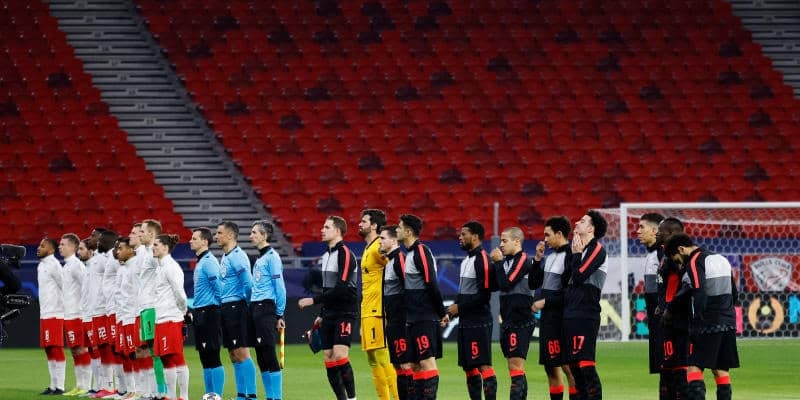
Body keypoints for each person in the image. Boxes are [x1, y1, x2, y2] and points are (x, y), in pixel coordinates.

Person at [664, 234, 739, 400]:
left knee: (693, 367)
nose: (679, 264)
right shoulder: (721, 259)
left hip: (708, 323)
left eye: (677, 259)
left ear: (681, 249)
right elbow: (735, 294)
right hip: (728, 322)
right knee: (721, 370)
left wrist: (697, 321)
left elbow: (699, 290)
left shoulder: (694, 261)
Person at [298, 216, 359, 400]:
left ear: (338, 231)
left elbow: (341, 287)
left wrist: (313, 300)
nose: (322, 230)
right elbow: (328, 289)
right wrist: (322, 313)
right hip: (329, 313)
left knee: (340, 356)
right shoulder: (326, 256)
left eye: (326, 227)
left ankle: (352, 398)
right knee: (329, 358)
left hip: (345, 311)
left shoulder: (345, 254)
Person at [396, 214, 448, 400]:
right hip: (412, 318)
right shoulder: (410, 254)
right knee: (415, 365)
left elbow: (431, 283)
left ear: (408, 232)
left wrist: (441, 312)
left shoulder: (421, 252)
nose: (396, 230)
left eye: (399, 227)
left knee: (427, 363)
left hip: (424, 317)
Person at [490, 227, 540, 400]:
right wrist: (495, 264)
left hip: (520, 321)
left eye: (505, 241)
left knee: (515, 367)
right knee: (516, 368)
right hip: (509, 320)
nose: (501, 245)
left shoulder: (523, 259)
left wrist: (497, 263)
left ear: (517, 241)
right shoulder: (506, 262)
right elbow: (495, 285)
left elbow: (506, 285)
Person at [563, 211, 609, 400]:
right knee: (574, 367)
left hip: (585, 314)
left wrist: (576, 255)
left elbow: (579, 276)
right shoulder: (576, 249)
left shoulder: (597, 249)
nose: (576, 222)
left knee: (585, 365)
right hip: (571, 313)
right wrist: (572, 253)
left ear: (591, 229)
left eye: (582, 221)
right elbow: (566, 279)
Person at [449, 221, 497, 400]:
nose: (460, 237)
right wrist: (450, 312)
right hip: (465, 321)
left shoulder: (482, 259)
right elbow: (463, 294)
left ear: (475, 237)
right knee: (469, 367)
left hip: (479, 322)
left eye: (464, 234)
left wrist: (459, 308)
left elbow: (484, 296)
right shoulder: (466, 260)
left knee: (483, 365)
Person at [531, 216, 576, 400]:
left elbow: (569, 293)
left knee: (568, 368)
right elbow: (533, 283)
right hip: (548, 320)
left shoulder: (571, 256)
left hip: (562, 319)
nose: (545, 239)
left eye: (547, 235)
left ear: (559, 234)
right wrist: (537, 259)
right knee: (550, 367)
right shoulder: (549, 257)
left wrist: (545, 302)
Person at [357, 209, 399, 400]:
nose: (360, 224)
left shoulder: (377, 249)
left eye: (364, 221)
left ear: (374, 225)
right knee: (372, 359)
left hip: (378, 309)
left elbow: (395, 266)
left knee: (382, 356)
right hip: (367, 309)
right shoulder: (369, 248)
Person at [216, 221, 256, 400]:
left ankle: (251, 396)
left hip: (237, 307)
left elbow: (248, 284)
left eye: (219, 233)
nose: (216, 236)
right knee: (233, 354)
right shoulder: (226, 256)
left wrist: (248, 306)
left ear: (230, 235)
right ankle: (241, 395)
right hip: (226, 308)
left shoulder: (238, 257)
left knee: (242, 352)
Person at [249, 220, 287, 400]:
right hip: (256, 308)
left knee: (269, 353)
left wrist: (280, 314)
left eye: (254, 232)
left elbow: (280, 287)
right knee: (261, 355)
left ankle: (277, 397)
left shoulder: (272, 257)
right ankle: (270, 396)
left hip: (266, 308)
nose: (251, 236)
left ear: (264, 236)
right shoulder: (260, 258)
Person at [151, 234, 189, 400]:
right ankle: (171, 396)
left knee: (176, 356)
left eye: (156, 245)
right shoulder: (160, 267)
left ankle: (184, 396)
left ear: (165, 247)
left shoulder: (171, 267)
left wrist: (183, 312)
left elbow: (179, 293)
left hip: (171, 317)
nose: (153, 248)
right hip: (160, 318)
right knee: (165, 358)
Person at [188, 227, 225, 395]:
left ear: (204, 241)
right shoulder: (202, 261)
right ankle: (210, 394)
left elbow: (219, 289)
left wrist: (215, 310)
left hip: (210, 312)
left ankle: (216, 395)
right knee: (205, 356)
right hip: (201, 312)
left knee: (212, 355)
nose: (191, 241)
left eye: (194, 238)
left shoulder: (209, 261)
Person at [656, 218, 689, 399]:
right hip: (667, 316)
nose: (657, 233)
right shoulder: (664, 254)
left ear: (670, 234)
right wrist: (661, 305)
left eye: (660, 230)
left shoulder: (678, 257)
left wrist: (670, 306)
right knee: (667, 365)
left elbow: (685, 285)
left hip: (677, 319)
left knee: (679, 365)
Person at [378, 225, 413, 400]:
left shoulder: (400, 260)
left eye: (382, 238)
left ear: (393, 240)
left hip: (402, 322)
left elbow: (410, 289)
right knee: (398, 366)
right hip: (393, 322)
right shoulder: (390, 262)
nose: (379, 241)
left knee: (405, 365)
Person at [636, 213, 665, 394]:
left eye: (642, 227)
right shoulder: (652, 254)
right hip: (656, 321)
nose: (637, 231)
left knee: (671, 369)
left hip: (665, 321)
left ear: (654, 231)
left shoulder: (663, 253)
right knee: (664, 369)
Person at [60, 233, 92, 396]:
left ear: (72, 247)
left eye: (63, 244)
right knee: (74, 350)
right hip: (68, 314)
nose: (60, 247)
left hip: (77, 314)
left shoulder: (76, 266)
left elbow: (86, 287)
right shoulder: (66, 266)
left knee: (81, 349)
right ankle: (79, 385)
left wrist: (83, 309)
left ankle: (86, 385)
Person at [91, 229, 119, 398]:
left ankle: (113, 387)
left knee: (111, 348)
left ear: (107, 241)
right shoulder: (99, 258)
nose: (96, 241)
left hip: (106, 309)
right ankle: (107, 386)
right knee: (102, 347)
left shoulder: (111, 259)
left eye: (99, 238)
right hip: (99, 309)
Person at [113, 236, 140, 399]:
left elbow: (136, 294)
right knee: (124, 353)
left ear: (130, 250)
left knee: (133, 354)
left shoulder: (135, 267)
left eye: (121, 248)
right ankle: (131, 389)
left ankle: (139, 389)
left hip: (131, 316)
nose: (117, 251)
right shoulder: (122, 268)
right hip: (121, 316)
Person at [37, 237, 65, 395]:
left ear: (51, 250)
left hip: (55, 312)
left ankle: (60, 386)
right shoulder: (41, 265)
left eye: (43, 246)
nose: (39, 248)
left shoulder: (54, 265)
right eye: (39, 245)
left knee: (56, 347)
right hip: (45, 313)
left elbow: (64, 286)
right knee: (48, 349)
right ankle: (53, 385)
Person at [77, 238, 101, 396]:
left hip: (93, 315)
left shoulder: (95, 267)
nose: (78, 252)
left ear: (91, 251)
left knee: (98, 351)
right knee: (91, 351)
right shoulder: (86, 267)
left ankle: (102, 386)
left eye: (81, 249)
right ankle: (95, 386)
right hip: (85, 315)